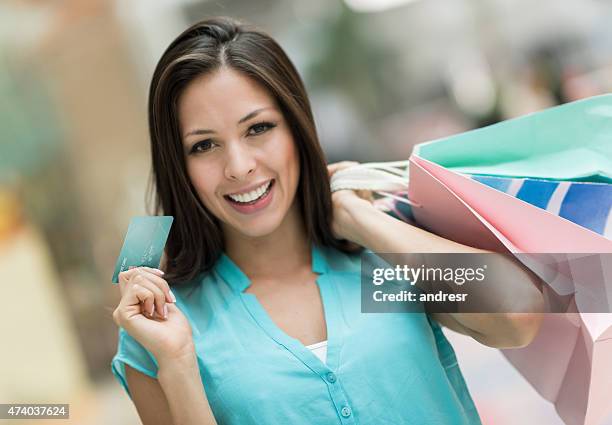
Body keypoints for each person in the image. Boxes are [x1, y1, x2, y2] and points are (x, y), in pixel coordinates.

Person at [111, 17, 543, 425]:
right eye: (204, 145)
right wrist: (178, 364)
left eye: (259, 128)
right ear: (178, 166)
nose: (239, 166)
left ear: (297, 128)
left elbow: (519, 314)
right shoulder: (165, 324)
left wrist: (359, 220)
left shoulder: (376, 262)